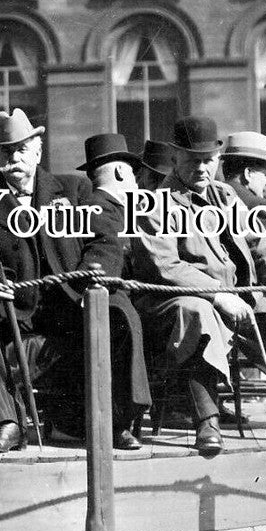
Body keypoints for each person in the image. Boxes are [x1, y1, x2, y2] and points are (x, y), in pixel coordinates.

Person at [130, 117, 266, 455]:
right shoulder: (154, 205)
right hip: (174, 301)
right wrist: (218, 295)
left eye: (208, 160)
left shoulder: (227, 198)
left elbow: (263, 246)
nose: (201, 168)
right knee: (197, 313)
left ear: (218, 158)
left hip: (238, 297)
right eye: (193, 160)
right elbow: (165, 266)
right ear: (176, 157)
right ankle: (207, 421)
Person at [0, 108, 93, 453]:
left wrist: (86, 280)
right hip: (11, 309)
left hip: (64, 305)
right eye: (7, 152)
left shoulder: (74, 189)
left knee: (113, 309)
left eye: (23, 149)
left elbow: (99, 243)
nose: (15, 158)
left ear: (38, 151)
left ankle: (108, 421)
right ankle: (7, 421)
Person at [75, 134, 152, 449]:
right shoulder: (102, 207)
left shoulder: (115, 208)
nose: (135, 180)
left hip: (128, 292)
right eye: (133, 173)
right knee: (122, 316)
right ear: (122, 173)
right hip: (109, 297)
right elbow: (102, 262)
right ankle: (118, 421)